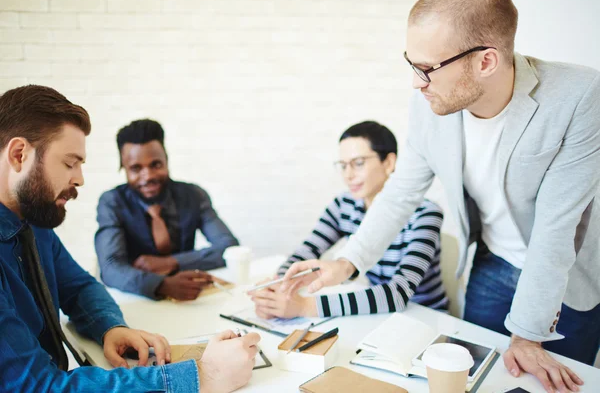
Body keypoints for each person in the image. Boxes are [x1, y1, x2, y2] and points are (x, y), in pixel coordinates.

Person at [281, 0, 600, 392]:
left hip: (566, 276)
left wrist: (527, 333)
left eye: (428, 68)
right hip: (491, 263)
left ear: (486, 61)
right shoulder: (430, 102)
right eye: (412, 63)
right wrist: (346, 264)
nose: (417, 81)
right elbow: (400, 192)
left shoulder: (578, 95)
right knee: (473, 380)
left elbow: (557, 228)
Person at [0, 85, 260, 392]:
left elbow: (80, 287)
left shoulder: (34, 224)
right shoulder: (103, 204)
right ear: (19, 155)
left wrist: (111, 327)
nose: (80, 179)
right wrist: (202, 376)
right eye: (70, 163)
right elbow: (39, 386)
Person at [249, 121, 447, 319]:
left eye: (358, 163)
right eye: (343, 166)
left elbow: (398, 293)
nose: (349, 175)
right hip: (378, 316)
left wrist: (304, 307)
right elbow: (307, 251)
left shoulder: (425, 213)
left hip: (425, 318)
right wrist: (277, 288)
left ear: (388, 162)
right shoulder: (344, 205)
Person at [95, 119, 239, 300]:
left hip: (190, 299)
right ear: (123, 168)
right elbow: (110, 267)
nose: (148, 176)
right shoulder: (112, 202)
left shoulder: (194, 195)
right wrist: (161, 284)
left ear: (166, 160)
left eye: (155, 165)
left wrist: (171, 262)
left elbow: (229, 247)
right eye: (136, 168)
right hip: (137, 299)